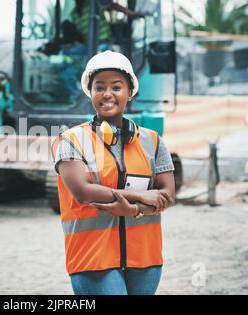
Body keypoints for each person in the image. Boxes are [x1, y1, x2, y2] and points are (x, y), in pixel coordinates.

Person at [52, 50, 176, 295]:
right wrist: (140, 197)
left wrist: (133, 211)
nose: (107, 94)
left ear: (130, 92)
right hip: (93, 257)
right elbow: (83, 192)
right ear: (91, 93)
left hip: (145, 258)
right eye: (99, 87)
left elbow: (167, 194)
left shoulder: (152, 141)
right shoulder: (71, 140)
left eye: (116, 87)